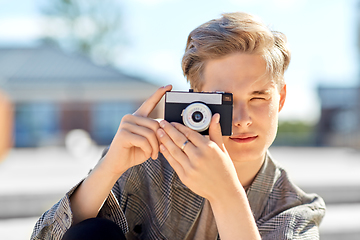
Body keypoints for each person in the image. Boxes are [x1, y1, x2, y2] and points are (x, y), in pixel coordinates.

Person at [31, 12, 325, 240]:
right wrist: (108, 168)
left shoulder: (295, 210)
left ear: (281, 98)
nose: (242, 118)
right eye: (225, 100)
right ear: (194, 100)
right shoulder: (147, 165)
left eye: (259, 97)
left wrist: (226, 194)